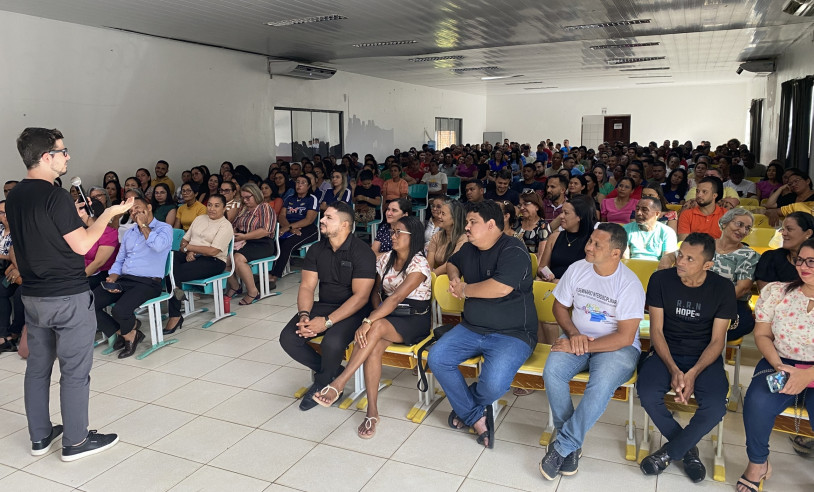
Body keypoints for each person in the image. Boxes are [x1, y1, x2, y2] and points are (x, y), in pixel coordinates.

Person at [7, 128, 136, 460]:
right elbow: (81, 244)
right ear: (47, 157)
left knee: (38, 367)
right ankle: (76, 441)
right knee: (75, 370)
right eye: (63, 151)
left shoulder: (16, 195)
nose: (68, 157)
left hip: (34, 295)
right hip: (66, 295)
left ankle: (40, 436)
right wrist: (108, 214)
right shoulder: (55, 196)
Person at [428, 200, 536, 449]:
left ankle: (468, 407)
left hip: (513, 334)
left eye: (472, 222)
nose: (466, 226)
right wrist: (455, 278)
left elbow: (500, 288)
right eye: (466, 221)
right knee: (437, 358)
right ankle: (476, 416)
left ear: (490, 225)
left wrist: (465, 289)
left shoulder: (513, 249)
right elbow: (453, 262)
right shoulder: (470, 248)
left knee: (493, 385)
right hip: (472, 327)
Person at [539, 223, 645, 479]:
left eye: (598, 244)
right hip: (578, 336)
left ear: (616, 253)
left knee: (600, 384)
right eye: (590, 241)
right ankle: (571, 442)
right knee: (552, 372)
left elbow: (625, 336)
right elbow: (560, 308)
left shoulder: (629, 284)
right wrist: (574, 335)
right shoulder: (578, 269)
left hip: (617, 346)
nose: (588, 247)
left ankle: (563, 446)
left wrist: (583, 343)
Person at [312, 216, 431, 437]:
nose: (392, 236)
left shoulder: (419, 263)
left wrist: (369, 321)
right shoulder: (385, 259)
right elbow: (376, 292)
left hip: (414, 318)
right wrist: (375, 317)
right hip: (387, 315)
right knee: (373, 348)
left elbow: (395, 299)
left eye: (398, 233)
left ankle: (339, 383)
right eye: (392, 231)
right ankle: (372, 412)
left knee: (373, 330)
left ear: (412, 238)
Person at [637, 233, 734, 482]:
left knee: (715, 406)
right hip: (665, 351)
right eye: (680, 254)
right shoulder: (660, 280)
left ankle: (670, 452)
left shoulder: (722, 288)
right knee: (647, 393)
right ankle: (688, 449)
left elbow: (717, 341)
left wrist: (692, 373)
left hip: (704, 357)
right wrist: (673, 369)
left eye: (690, 259)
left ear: (707, 265)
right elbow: (656, 331)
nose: (681, 261)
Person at [279, 202, 376, 411]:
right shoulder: (316, 249)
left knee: (331, 343)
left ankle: (323, 383)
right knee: (288, 338)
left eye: (329, 218)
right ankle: (331, 372)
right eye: (323, 216)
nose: (321, 220)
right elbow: (306, 286)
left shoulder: (362, 252)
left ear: (345, 225)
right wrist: (304, 315)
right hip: (322, 305)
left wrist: (328, 322)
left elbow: (360, 297)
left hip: (354, 310)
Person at [738, 238, 814, 492]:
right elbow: (762, 335)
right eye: (800, 260)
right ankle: (758, 463)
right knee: (757, 402)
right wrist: (779, 365)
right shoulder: (778, 292)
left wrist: (807, 376)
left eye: (812, 261)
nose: (804, 266)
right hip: (780, 361)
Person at [93, 196, 172, 358]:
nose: (134, 212)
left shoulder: (164, 228)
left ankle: (129, 334)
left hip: (149, 283)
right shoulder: (130, 233)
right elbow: (120, 259)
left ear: (149, 207)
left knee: (120, 310)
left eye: (137, 207)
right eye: (131, 210)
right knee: (88, 303)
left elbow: (158, 246)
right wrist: (113, 276)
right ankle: (126, 332)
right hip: (125, 279)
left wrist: (143, 225)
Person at [164, 194, 233, 334]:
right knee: (168, 261)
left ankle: (175, 314)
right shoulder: (199, 219)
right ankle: (177, 294)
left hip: (213, 261)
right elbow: (184, 240)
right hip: (190, 254)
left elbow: (213, 251)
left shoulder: (225, 226)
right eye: (209, 205)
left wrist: (191, 249)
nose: (212, 209)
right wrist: (188, 250)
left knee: (174, 273)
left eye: (216, 205)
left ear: (224, 208)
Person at [226, 183, 276, 304]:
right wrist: (234, 232)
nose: (245, 200)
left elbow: (265, 230)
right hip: (243, 241)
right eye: (243, 197)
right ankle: (235, 286)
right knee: (221, 259)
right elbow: (234, 225)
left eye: (248, 197)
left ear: (256, 195)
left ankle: (253, 292)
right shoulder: (243, 209)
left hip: (262, 242)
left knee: (238, 259)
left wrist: (244, 236)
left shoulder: (264, 207)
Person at [269, 176, 319, 283]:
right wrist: (290, 228)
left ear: (309, 186)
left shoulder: (312, 199)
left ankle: (275, 275)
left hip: (308, 229)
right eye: (297, 182)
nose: (299, 185)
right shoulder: (289, 198)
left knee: (287, 244)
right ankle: (269, 272)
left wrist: (288, 228)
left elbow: (309, 220)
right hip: (289, 226)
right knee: (274, 241)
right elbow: (281, 216)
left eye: (303, 183)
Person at [539, 195, 597, 282]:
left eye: (566, 213)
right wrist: (548, 275)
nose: (561, 216)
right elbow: (542, 267)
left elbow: (593, 274)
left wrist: (561, 282)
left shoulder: (592, 241)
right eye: (562, 212)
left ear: (579, 217)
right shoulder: (554, 237)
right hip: (552, 286)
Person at [754, 212, 814, 291]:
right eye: (783, 229)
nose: (783, 233)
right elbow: (766, 297)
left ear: (808, 233)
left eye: (789, 229)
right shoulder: (770, 258)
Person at [623, 196, 677, 261]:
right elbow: (624, 260)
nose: (638, 213)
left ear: (657, 214)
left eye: (644, 210)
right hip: (631, 268)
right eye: (637, 209)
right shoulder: (625, 229)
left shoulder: (667, 232)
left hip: (657, 269)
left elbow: (667, 260)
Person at [677, 177, 727, 241]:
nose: (699, 195)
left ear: (714, 195)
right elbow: (683, 242)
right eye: (697, 191)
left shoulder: (725, 214)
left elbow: (729, 243)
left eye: (704, 192)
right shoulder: (686, 214)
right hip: (693, 250)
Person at [426, 198, 467, 275]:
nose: (439, 216)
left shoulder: (463, 239)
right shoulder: (437, 236)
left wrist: (431, 277)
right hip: (436, 278)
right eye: (440, 213)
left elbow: (450, 264)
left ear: (454, 219)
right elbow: (429, 264)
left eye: (443, 214)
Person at [515, 192, 551, 262]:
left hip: (532, 265)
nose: (522, 208)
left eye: (526, 204)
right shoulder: (516, 222)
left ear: (537, 207)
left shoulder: (543, 226)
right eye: (520, 205)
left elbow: (542, 256)